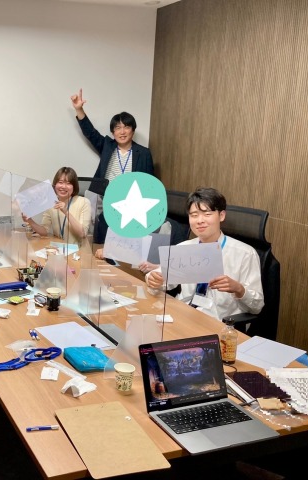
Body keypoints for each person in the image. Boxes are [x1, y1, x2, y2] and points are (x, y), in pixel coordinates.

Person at [145, 187, 264, 320]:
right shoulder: (184, 248)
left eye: (207, 214)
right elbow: (158, 279)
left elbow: (257, 306)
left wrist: (239, 289)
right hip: (182, 314)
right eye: (194, 215)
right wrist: (153, 279)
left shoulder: (245, 254)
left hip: (218, 322)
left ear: (221, 215)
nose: (200, 220)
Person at [70, 89, 154, 243]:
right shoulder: (107, 146)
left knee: (124, 241)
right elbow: (91, 133)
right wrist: (79, 109)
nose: (122, 132)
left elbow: (149, 184)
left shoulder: (144, 153)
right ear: (113, 132)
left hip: (130, 204)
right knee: (100, 238)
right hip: (104, 200)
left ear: (133, 130)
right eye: (117, 128)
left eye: (126, 127)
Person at [22, 167, 91, 245]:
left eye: (68, 183)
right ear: (55, 185)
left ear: (74, 186)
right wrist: (30, 221)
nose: (63, 186)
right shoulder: (51, 203)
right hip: (58, 248)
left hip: (78, 250)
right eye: (60, 182)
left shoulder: (84, 202)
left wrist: (66, 212)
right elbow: (44, 231)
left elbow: (82, 234)